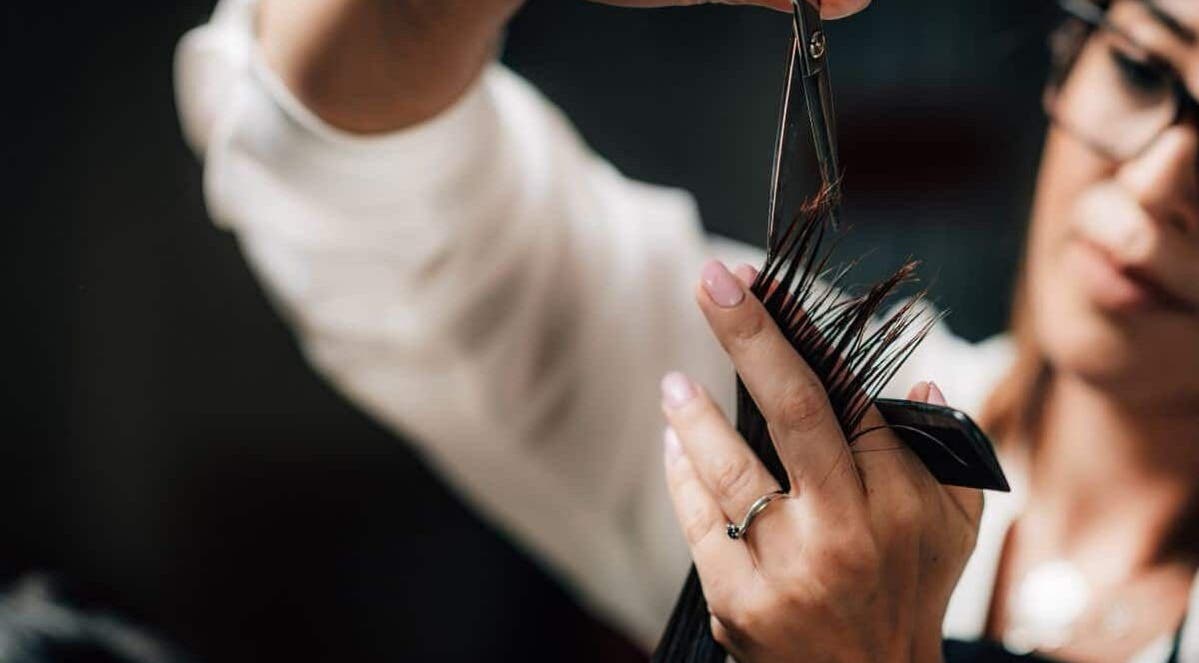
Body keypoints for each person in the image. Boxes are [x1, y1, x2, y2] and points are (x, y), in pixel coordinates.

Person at [174, 0, 1199, 660]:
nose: (1159, 185)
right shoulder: (811, 439)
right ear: (1068, 64)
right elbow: (361, 180)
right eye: (1145, 71)